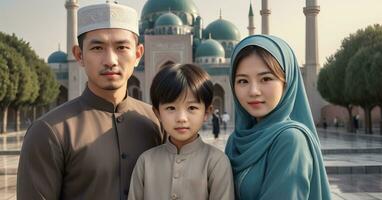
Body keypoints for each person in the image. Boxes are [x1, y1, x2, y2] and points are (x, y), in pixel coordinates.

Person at [17, 2, 164, 200]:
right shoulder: (50, 131)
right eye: (97, 48)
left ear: (138, 54)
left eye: (121, 47)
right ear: (79, 55)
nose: (110, 60)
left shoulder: (157, 123)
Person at [225, 35, 331, 199]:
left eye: (266, 79)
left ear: (286, 83)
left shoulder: (290, 140)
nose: (253, 91)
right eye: (243, 81)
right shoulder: (236, 141)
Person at [128, 64, 234, 200]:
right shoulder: (145, 162)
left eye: (192, 108)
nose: (181, 118)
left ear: (207, 112)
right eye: (171, 108)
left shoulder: (216, 162)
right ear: (157, 113)